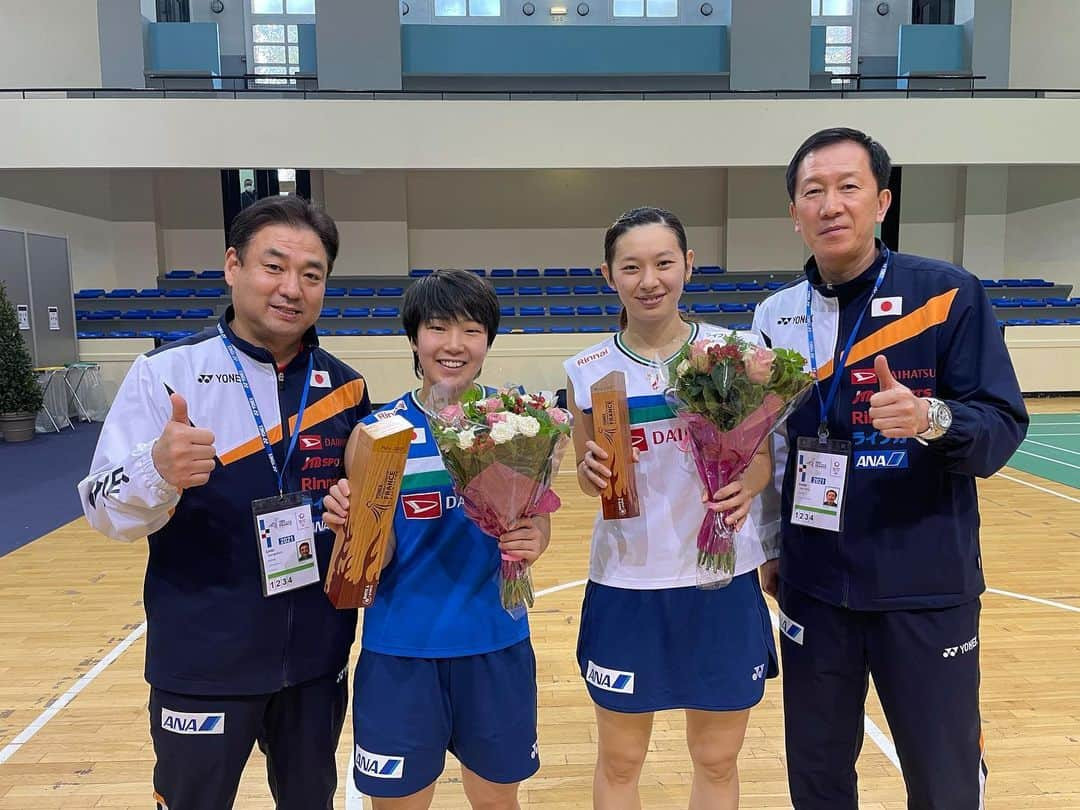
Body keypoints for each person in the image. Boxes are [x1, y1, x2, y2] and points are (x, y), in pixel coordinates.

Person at [752, 127, 1028, 809]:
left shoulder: (947, 295)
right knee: (816, 778)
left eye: (848, 187)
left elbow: (1001, 426)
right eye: (813, 192)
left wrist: (931, 418)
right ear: (794, 212)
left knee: (943, 778)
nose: (830, 205)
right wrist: (768, 544)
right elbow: (770, 446)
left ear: (882, 201)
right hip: (814, 584)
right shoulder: (773, 316)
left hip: (924, 583)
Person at [78, 195, 372, 810]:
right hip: (203, 658)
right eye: (274, 266)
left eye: (311, 274)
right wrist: (155, 470)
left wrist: (355, 512)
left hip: (316, 660)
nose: (292, 288)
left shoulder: (345, 388)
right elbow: (100, 507)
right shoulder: (168, 373)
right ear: (233, 265)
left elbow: (369, 510)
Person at [564, 207, 777, 810]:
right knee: (622, 760)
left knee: (716, 760)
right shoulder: (587, 371)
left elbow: (759, 460)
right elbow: (588, 479)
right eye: (631, 267)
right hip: (628, 581)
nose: (649, 279)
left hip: (722, 578)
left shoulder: (734, 354)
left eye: (663, 263)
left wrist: (749, 485)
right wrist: (587, 472)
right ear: (609, 275)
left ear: (688, 265)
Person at [322, 268, 550, 810]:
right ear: (413, 338)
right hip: (402, 651)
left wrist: (534, 537)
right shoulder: (377, 432)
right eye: (438, 328)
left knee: (497, 801)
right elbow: (371, 563)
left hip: (495, 642)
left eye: (471, 330)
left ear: (488, 341)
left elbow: (538, 518)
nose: (454, 345)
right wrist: (351, 530)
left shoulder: (521, 422)